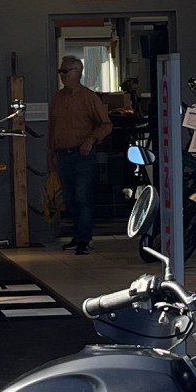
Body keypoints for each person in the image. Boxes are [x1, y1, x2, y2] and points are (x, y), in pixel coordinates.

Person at [46, 53, 112, 253]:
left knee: (82, 196)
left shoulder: (89, 97)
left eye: (65, 71)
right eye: (60, 71)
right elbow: (53, 129)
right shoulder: (57, 98)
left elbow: (106, 124)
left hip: (82, 154)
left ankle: (84, 238)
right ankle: (77, 235)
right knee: (69, 198)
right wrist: (50, 155)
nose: (62, 75)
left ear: (78, 72)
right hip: (63, 154)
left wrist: (90, 140)